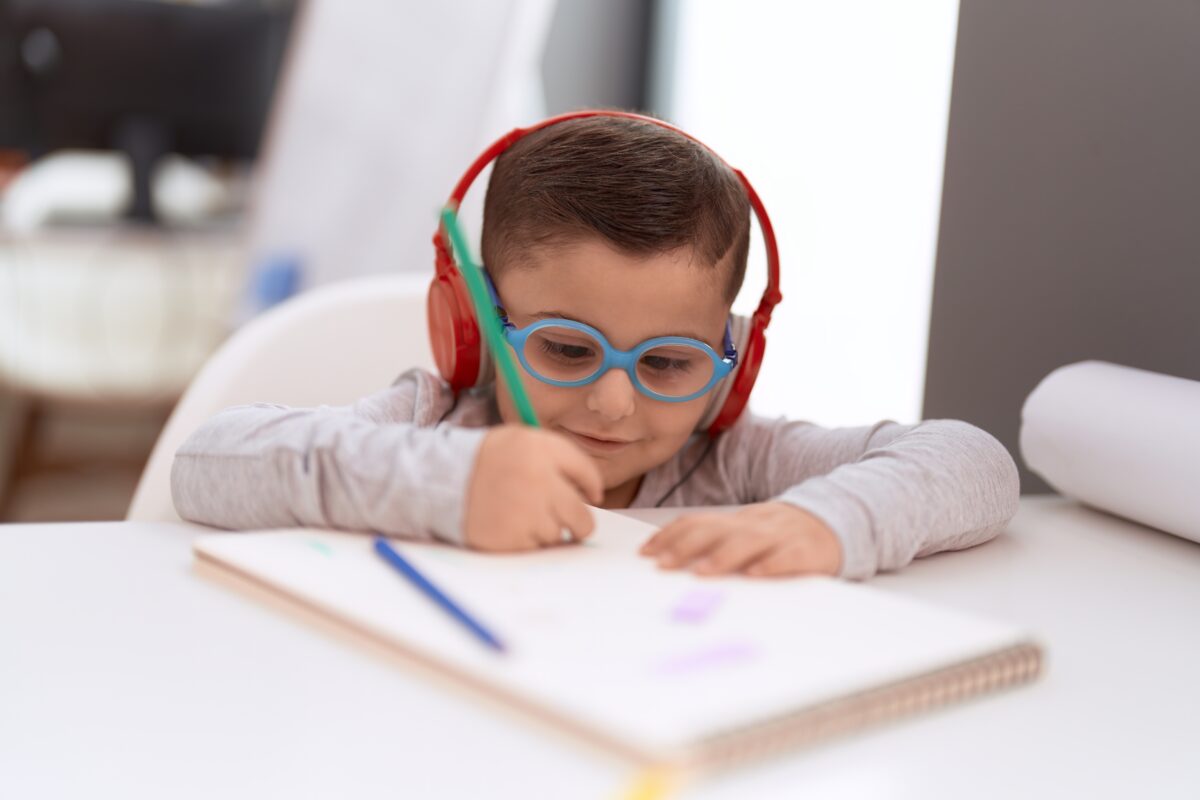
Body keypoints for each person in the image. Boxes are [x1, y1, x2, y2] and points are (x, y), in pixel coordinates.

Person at [171, 113, 1019, 580]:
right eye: (567, 349)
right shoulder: (435, 426)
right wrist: (452, 484)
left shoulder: (734, 464)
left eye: (667, 363)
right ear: (474, 327)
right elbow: (207, 462)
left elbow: (978, 464)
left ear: (733, 360)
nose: (616, 404)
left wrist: (828, 523)